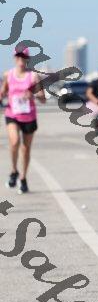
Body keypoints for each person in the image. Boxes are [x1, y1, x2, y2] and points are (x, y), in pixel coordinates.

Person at [0, 46, 46, 193]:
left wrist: (33, 95)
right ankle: (14, 171)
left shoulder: (33, 76)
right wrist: (2, 95)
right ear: (15, 58)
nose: (21, 59)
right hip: (12, 114)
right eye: (18, 56)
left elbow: (43, 99)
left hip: (29, 116)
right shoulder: (8, 74)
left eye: (24, 57)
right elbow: (3, 92)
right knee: (14, 141)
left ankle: (23, 178)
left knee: (26, 149)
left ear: (27, 59)